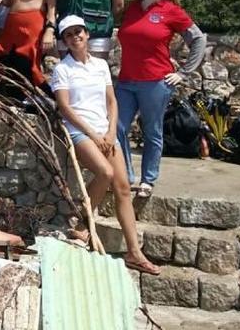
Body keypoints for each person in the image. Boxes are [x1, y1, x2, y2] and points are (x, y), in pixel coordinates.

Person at [51, 15, 160, 276]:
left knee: (123, 187)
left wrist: (111, 132)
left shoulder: (100, 65)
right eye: (69, 34)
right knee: (106, 173)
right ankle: (82, 219)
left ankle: (134, 252)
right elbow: (64, 107)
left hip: (105, 132)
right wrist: (92, 133)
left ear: (87, 34)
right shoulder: (62, 69)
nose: (75, 36)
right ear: (64, 41)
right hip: (79, 132)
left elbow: (111, 101)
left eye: (79, 31)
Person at [116, 0, 206, 197]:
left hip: (156, 82)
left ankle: (148, 180)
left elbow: (198, 38)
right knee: (116, 127)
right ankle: (126, 175)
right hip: (126, 81)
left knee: (152, 131)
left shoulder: (171, 11)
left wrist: (184, 72)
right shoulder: (132, 8)